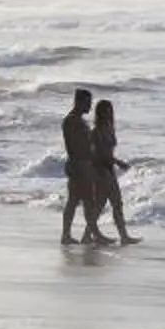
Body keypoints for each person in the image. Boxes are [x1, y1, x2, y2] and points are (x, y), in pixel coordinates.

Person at [59, 88, 104, 245]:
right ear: (79, 102)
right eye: (87, 103)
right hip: (79, 164)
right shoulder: (72, 121)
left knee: (82, 201)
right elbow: (77, 146)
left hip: (80, 163)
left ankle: (78, 234)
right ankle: (87, 234)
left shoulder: (77, 121)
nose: (90, 106)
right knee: (84, 201)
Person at [93, 97, 138, 244]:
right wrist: (119, 162)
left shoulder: (110, 128)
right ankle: (92, 234)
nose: (108, 113)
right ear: (99, 113)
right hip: (100, 169)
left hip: (109, 169)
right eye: (105, 111)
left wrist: (115, 163)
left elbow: (109, 152)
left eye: (110, 110)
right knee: (107, 203)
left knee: (112, 204)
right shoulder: (96, 131)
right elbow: (100, 153)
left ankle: (123, 236)